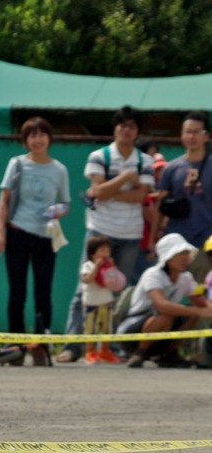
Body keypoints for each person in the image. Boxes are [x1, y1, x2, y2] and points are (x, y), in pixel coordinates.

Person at [57, 106, 154, 363]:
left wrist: (108, 189)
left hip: (131, 234)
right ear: (115, 128)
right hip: (100, 231)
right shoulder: (99, 155)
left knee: (118, 292)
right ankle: (71, 346)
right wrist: (125, 178)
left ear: (137, 131)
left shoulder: (146, 161)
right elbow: (96, 192)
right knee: (84, 287)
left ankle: (108, 348)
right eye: (122, 125)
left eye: (132, 126)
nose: (126, 130)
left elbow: (140, 196)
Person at [0, 117, 70, 363]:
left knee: (43, 291)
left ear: (49, 137)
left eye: (41, 134)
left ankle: (40, 345)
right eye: (31, 135)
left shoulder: (59, 169)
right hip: (18, 232)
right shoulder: (17, 164)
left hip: (46, 235)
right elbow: (4, 200)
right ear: (25, 140)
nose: (37, 140)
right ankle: (16, 344)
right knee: (17, 291)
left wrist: (57, 210)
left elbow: (66, 203)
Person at [116, 233, 212, 368]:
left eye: (186, 253)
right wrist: (200, 311)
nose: (185, 258)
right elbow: (162, 306)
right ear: (167, 257)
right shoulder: (152, 274)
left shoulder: (186, 278)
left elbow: (203, 304)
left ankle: (169, 354)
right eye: (179, 253)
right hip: (131, 333)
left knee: (191, 315)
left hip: (161, 331)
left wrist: (207, 309)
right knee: (167, 314)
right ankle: (139, 353)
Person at [151, 112, 212, 283]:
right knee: (168, 291)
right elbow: (160, 206)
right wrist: (152, 240)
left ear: (205, 136)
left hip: (205, 242)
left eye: (196, 132)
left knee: (202, 294)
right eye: (187, 131)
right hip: (174, 242)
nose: (191, 136)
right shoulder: (171, 168)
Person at [80, 235, 125, 364]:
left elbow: (117, 280)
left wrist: (113, 267)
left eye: (108, 250)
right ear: (93, 253)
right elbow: (87, 279)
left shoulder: (109, 266)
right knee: (91, 329)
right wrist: (97, 267)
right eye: (102, 250)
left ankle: (105, 352)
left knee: (107, 328)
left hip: (107, 302)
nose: (106, 254)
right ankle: (90, 352)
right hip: (91, 304)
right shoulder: (87, 265)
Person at [130, 152, 167, 284]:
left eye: (163, 169)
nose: (160, 174)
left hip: (156, 247)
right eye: (156, 170)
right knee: (141, 285)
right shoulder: (143, 193)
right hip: (142, 247)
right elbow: (153, 218)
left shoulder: (160, 193)